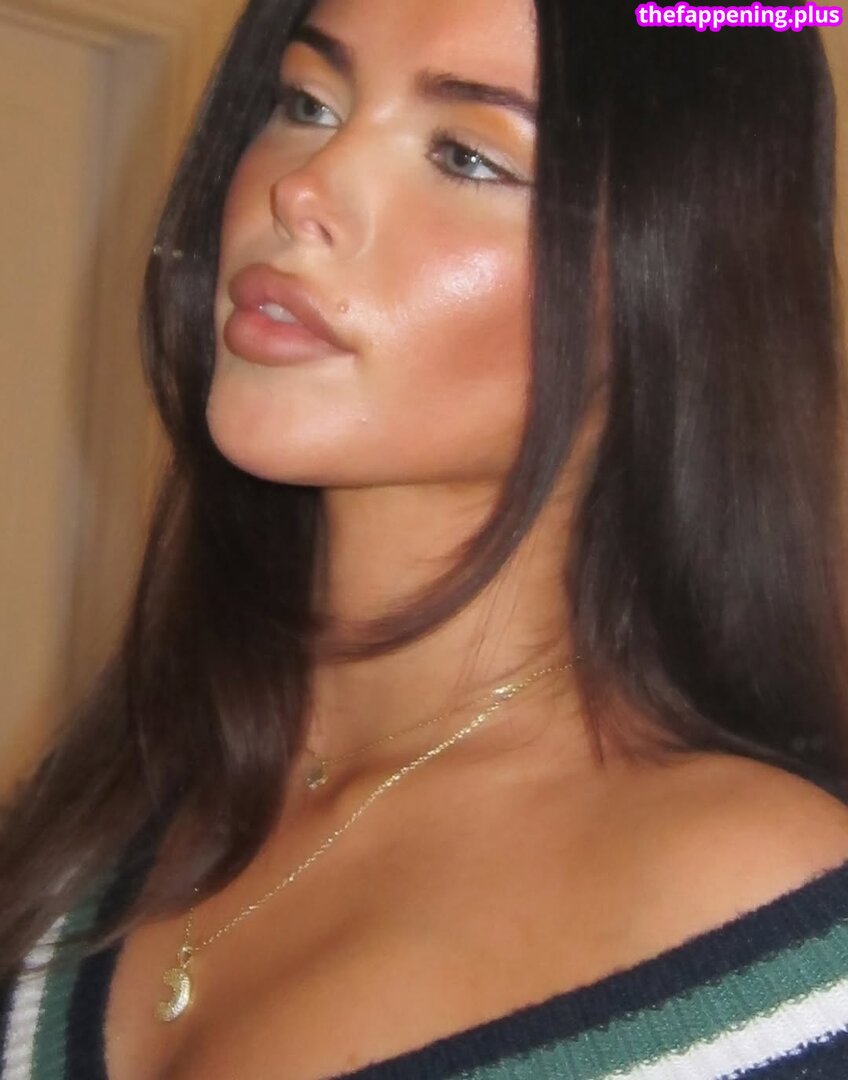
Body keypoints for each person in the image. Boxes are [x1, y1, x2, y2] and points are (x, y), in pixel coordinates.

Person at [3, 0, 848, 1076]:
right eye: (306, 102)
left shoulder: (769, 934)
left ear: (675, 277)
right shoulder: (116, 798)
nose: (301, 188)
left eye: (465, 155)